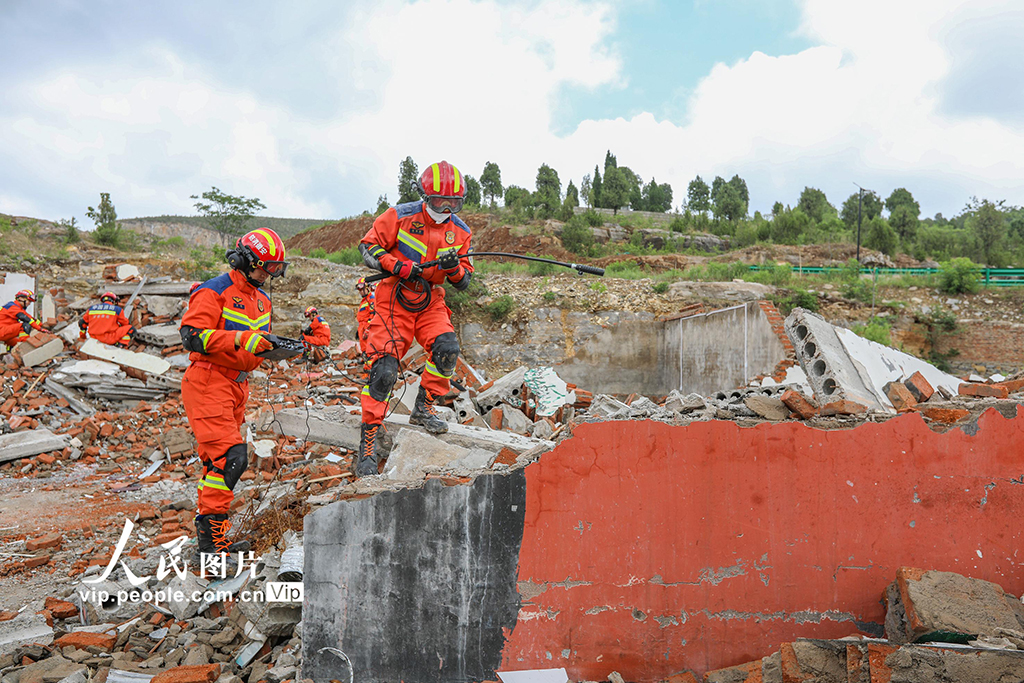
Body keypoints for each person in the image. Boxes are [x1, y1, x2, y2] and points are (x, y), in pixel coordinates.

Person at [178, 227, 288, 566]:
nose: (269, 275)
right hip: (208, 380)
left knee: (218, 463)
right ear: (243, 260)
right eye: (265, 267)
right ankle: (210, 549)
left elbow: (256, 344)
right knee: (231, 457)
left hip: (238, 385)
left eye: (275, 269)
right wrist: (240, 341)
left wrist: (277, 349)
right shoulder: (214, 291)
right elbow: (192, 336)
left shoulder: (263, 300)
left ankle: (216, 541)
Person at [356, 160, 473, 477]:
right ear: (425, 196)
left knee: (447, 349)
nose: (445, 207)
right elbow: (367, 247)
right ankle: (367, 446)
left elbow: (463, 281)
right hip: (394, 295)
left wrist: (453, 268)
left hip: (430, 299)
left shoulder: (460, 232)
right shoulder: (400, 215)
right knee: (384, 371)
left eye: (453, 203)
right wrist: (395, 264)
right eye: (439, 201)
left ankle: (424, 406)